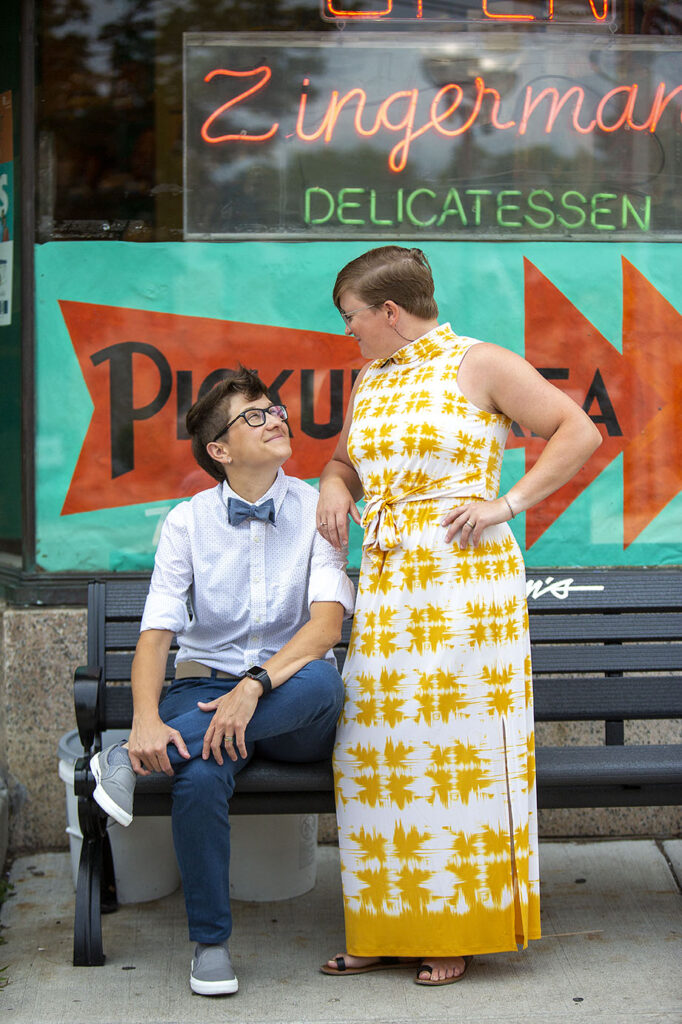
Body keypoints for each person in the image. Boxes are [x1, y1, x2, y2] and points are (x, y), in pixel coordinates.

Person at [317, 246, 602, 986]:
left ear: (389, 311)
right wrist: (332, 481)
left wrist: (506, 503)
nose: (348, 332)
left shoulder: (481, 363)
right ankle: (383, 924)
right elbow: (352, 460)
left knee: (458, 751)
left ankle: (454, 929)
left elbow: (578, 431)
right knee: (376, 753)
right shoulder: (370, 377)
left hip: (464, 584)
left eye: (352, 318)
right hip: (388, 584)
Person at [90, 366, 354, 997]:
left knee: (324, 686)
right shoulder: (186, 523)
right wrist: (147, 719)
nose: (277, 421)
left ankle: (124, 761)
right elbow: (156, 635)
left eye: (276, 410)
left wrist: (255, 685)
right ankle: (210, 945)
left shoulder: (319, 510)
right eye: (254, 416)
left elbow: (323, 631)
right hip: (201, 693)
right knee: (201, 773)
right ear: (220, 450)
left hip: (289, 701)